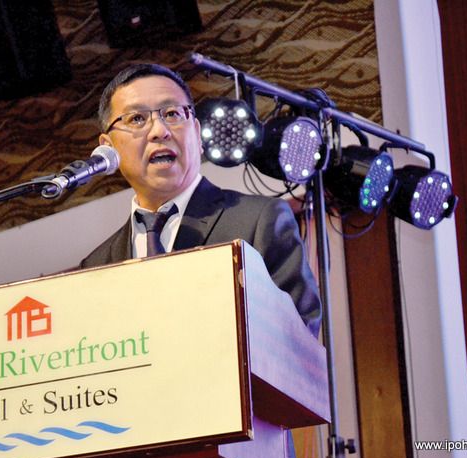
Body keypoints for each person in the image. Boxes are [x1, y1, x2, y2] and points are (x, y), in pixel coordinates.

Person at [80, 63, 321, 337]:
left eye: (172, 114)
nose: (159, 130)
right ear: (108, 147)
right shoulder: (96, 265)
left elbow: (299, 336)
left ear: (196, 132)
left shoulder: (259, 220)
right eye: (136, 119)